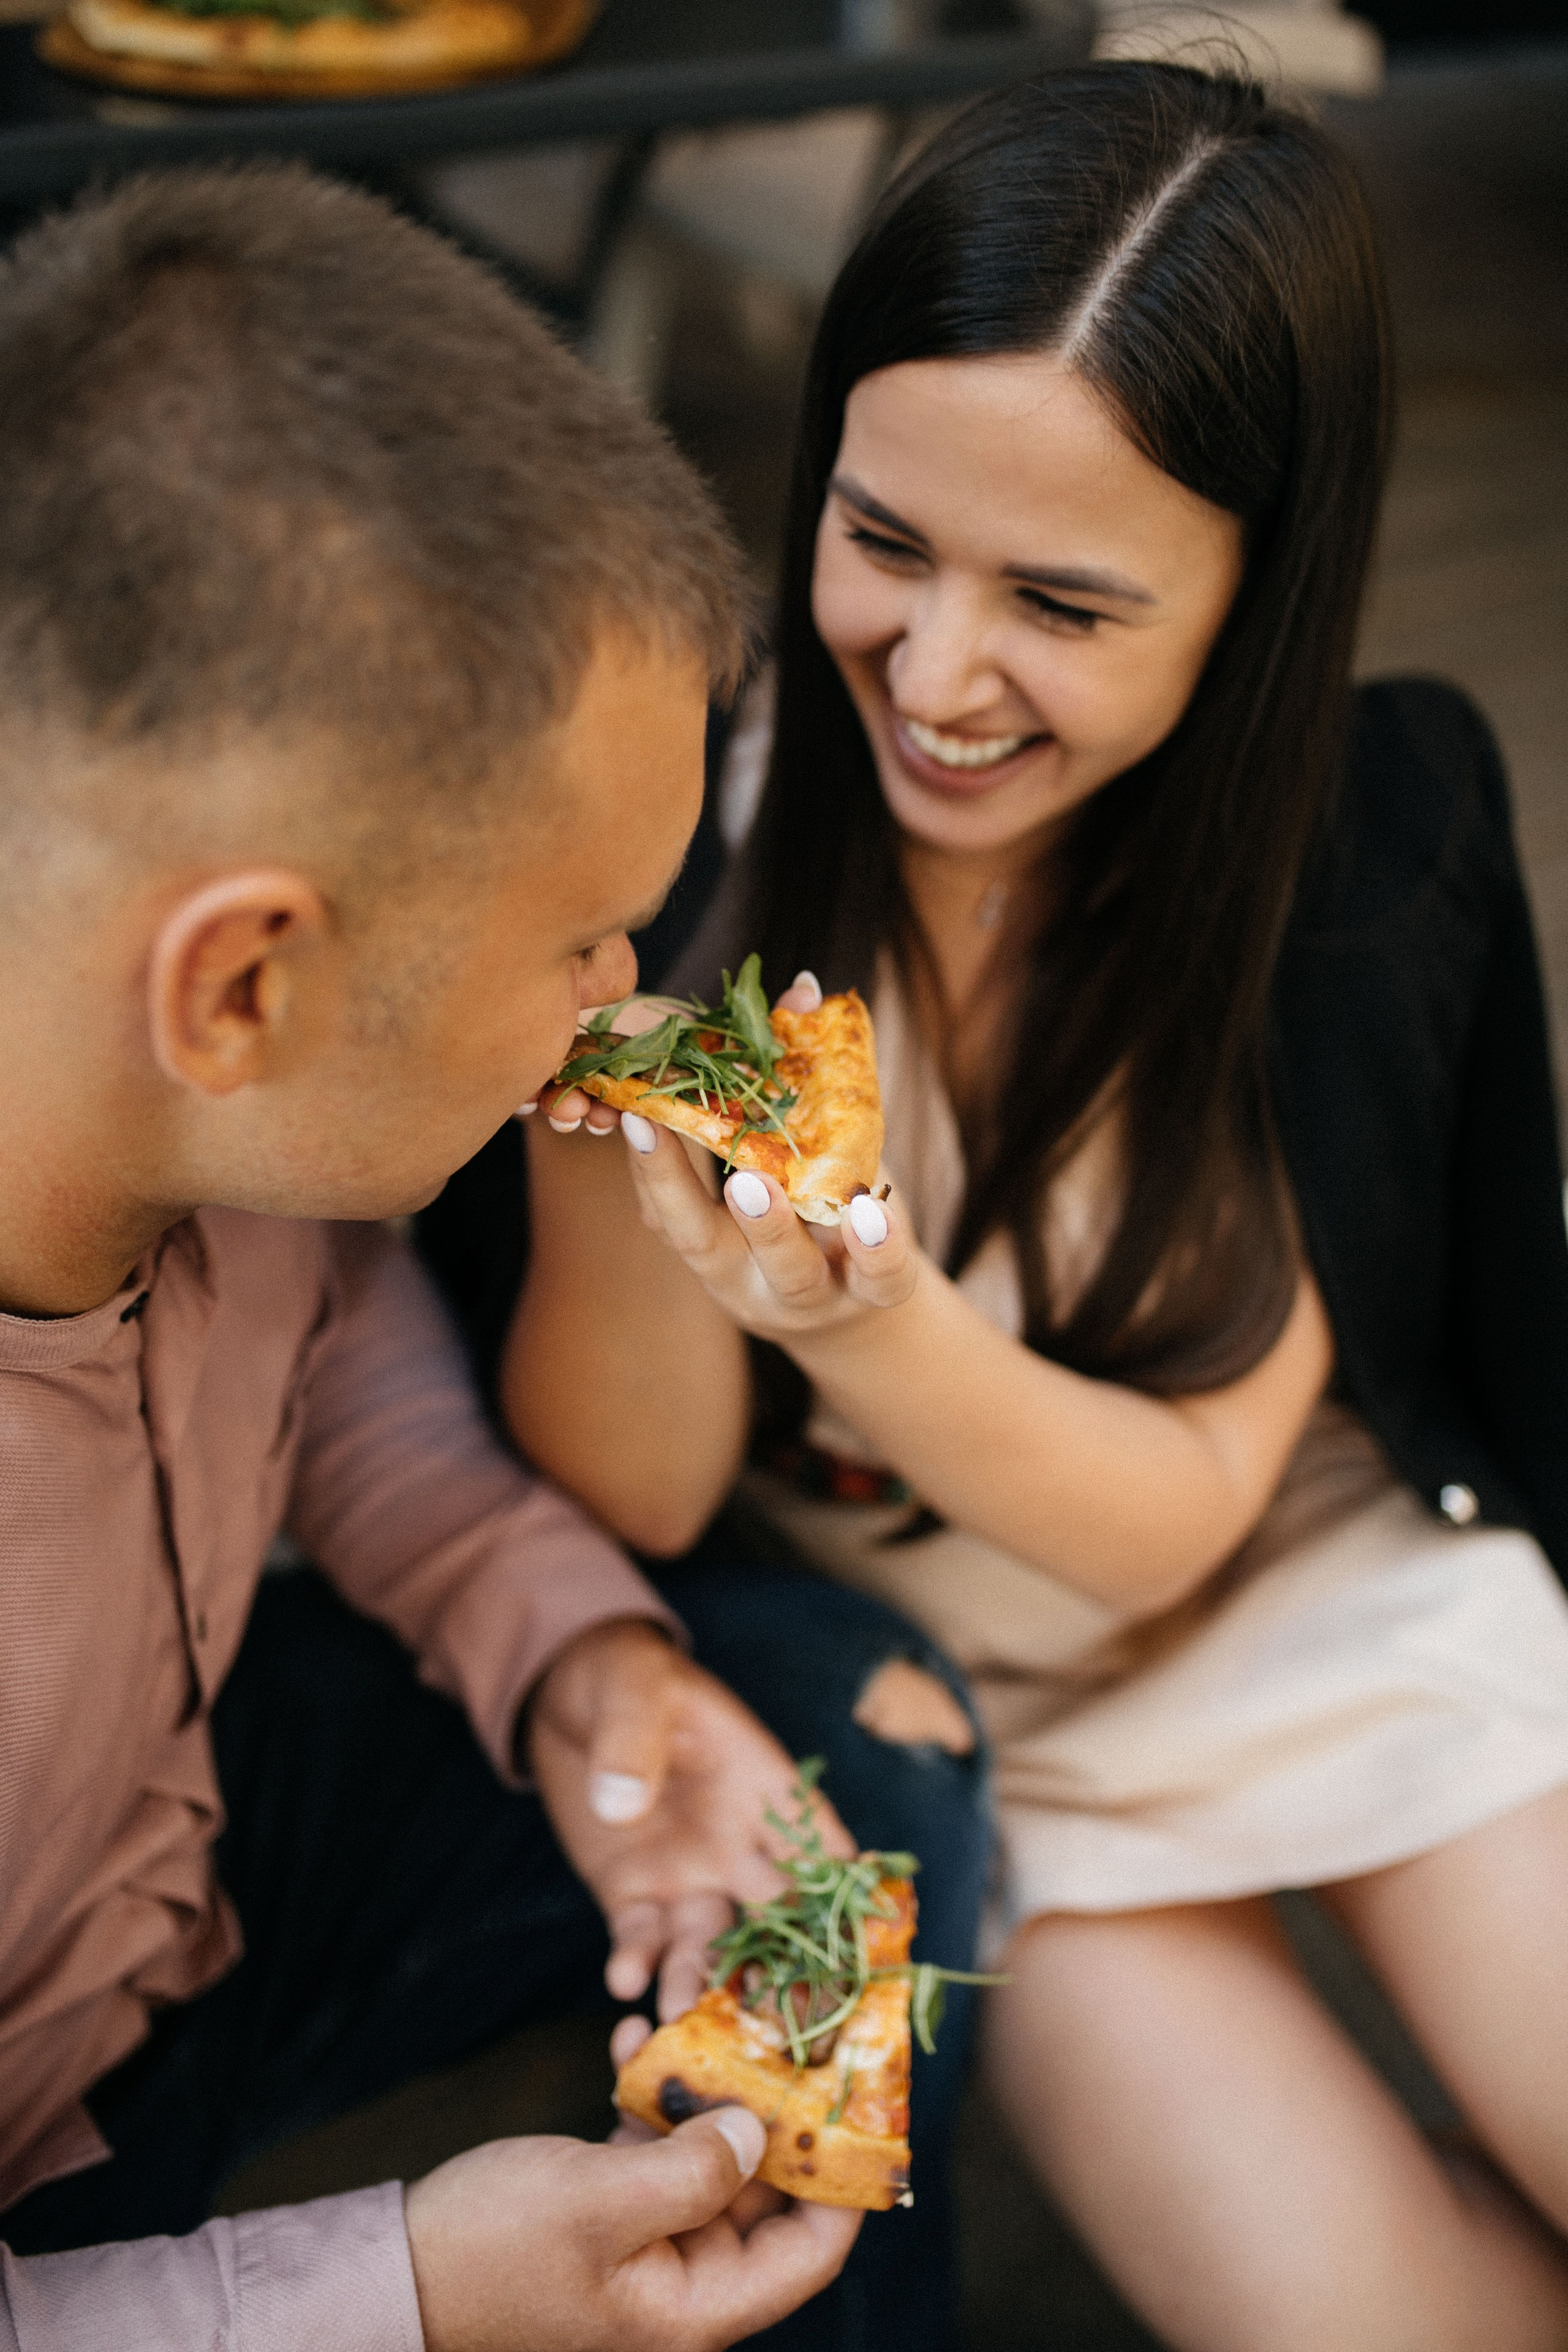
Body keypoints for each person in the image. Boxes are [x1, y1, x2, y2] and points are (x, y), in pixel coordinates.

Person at [518, 62, 1568, 2352]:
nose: (944, 674)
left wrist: (850, 1298)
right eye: (884, 542)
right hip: (988, 1741)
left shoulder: (1360, 855)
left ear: (1252, 601)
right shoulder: (680, 826)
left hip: (1318, 1586)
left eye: (1067, 603)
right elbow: (636, 1487)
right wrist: (603, 1095)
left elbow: (1181, 1515)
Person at [0, 161, 991, 2352]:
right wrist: (410, 2293)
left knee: (837, 1768)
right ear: (243, 984)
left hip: (180, 1888)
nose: (628, 991)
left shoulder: (166, 1095)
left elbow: (329, 1363)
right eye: (579, 936)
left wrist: (570, 1667)